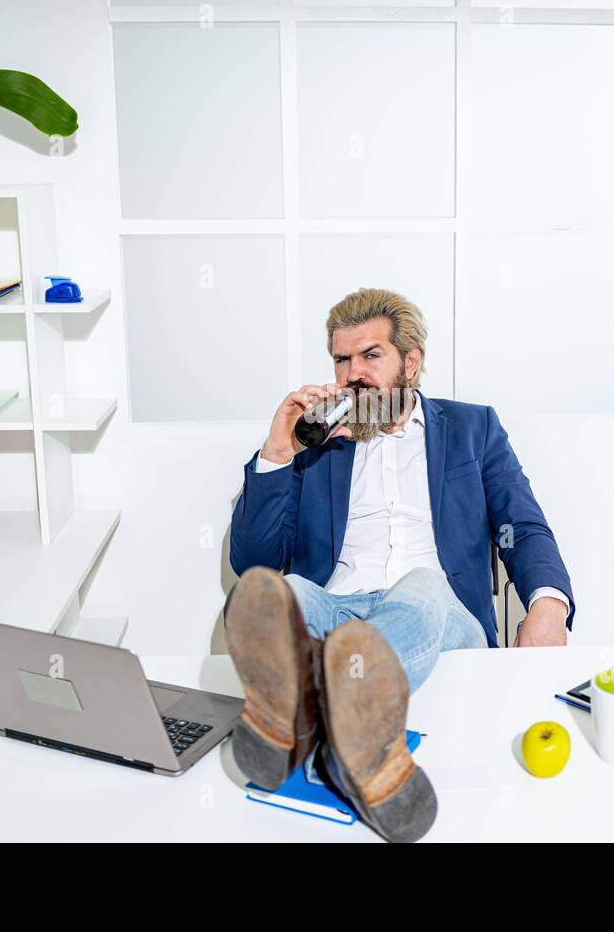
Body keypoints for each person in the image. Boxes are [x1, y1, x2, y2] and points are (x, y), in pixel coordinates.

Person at [225, 288, 573, 842]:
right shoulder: (313, 444)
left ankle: (305, 716)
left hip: (439, 621)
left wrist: (548, 607)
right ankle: (354, 731)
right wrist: (277, 450)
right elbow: (253, 564)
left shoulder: (471, 429)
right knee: (281, 589)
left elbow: (523, 526)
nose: (354, 373)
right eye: (342, 359)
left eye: (371, 356)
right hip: (338, 619)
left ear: (410, 363)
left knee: (423, 587)